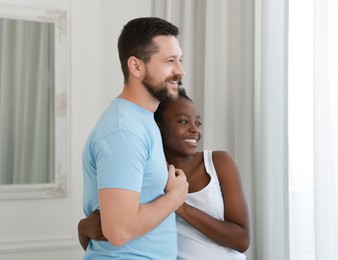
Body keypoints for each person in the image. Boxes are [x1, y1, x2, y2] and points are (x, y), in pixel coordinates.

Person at [79, 87, 251, 259]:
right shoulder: (146, 177)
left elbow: (242, 240)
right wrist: (83, 228)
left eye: (197, 123)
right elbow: (115, 235)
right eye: (183, 122)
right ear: (157, 126)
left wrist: (180, 205)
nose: (194, 130)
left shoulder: (218, 163)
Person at [80, 17, 189, 259]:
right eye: (170, 61)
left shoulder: (142, 120)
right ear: (136, 66)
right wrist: (175, 197)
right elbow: (119, 230)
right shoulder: (124, 131)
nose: (180, 71)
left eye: (180, 60)